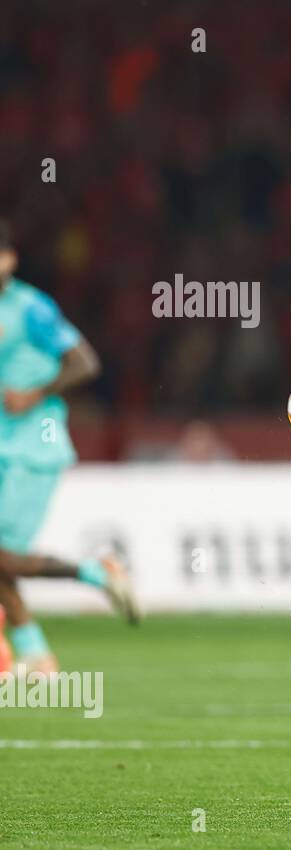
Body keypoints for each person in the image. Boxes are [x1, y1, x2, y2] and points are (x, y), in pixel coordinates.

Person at [0, 219, 138, 676]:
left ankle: (96, 573)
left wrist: (34, 392)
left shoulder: (31, 309)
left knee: (1, 557)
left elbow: (85, 361)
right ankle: (37, 658)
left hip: (32, 448)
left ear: (10, 259)